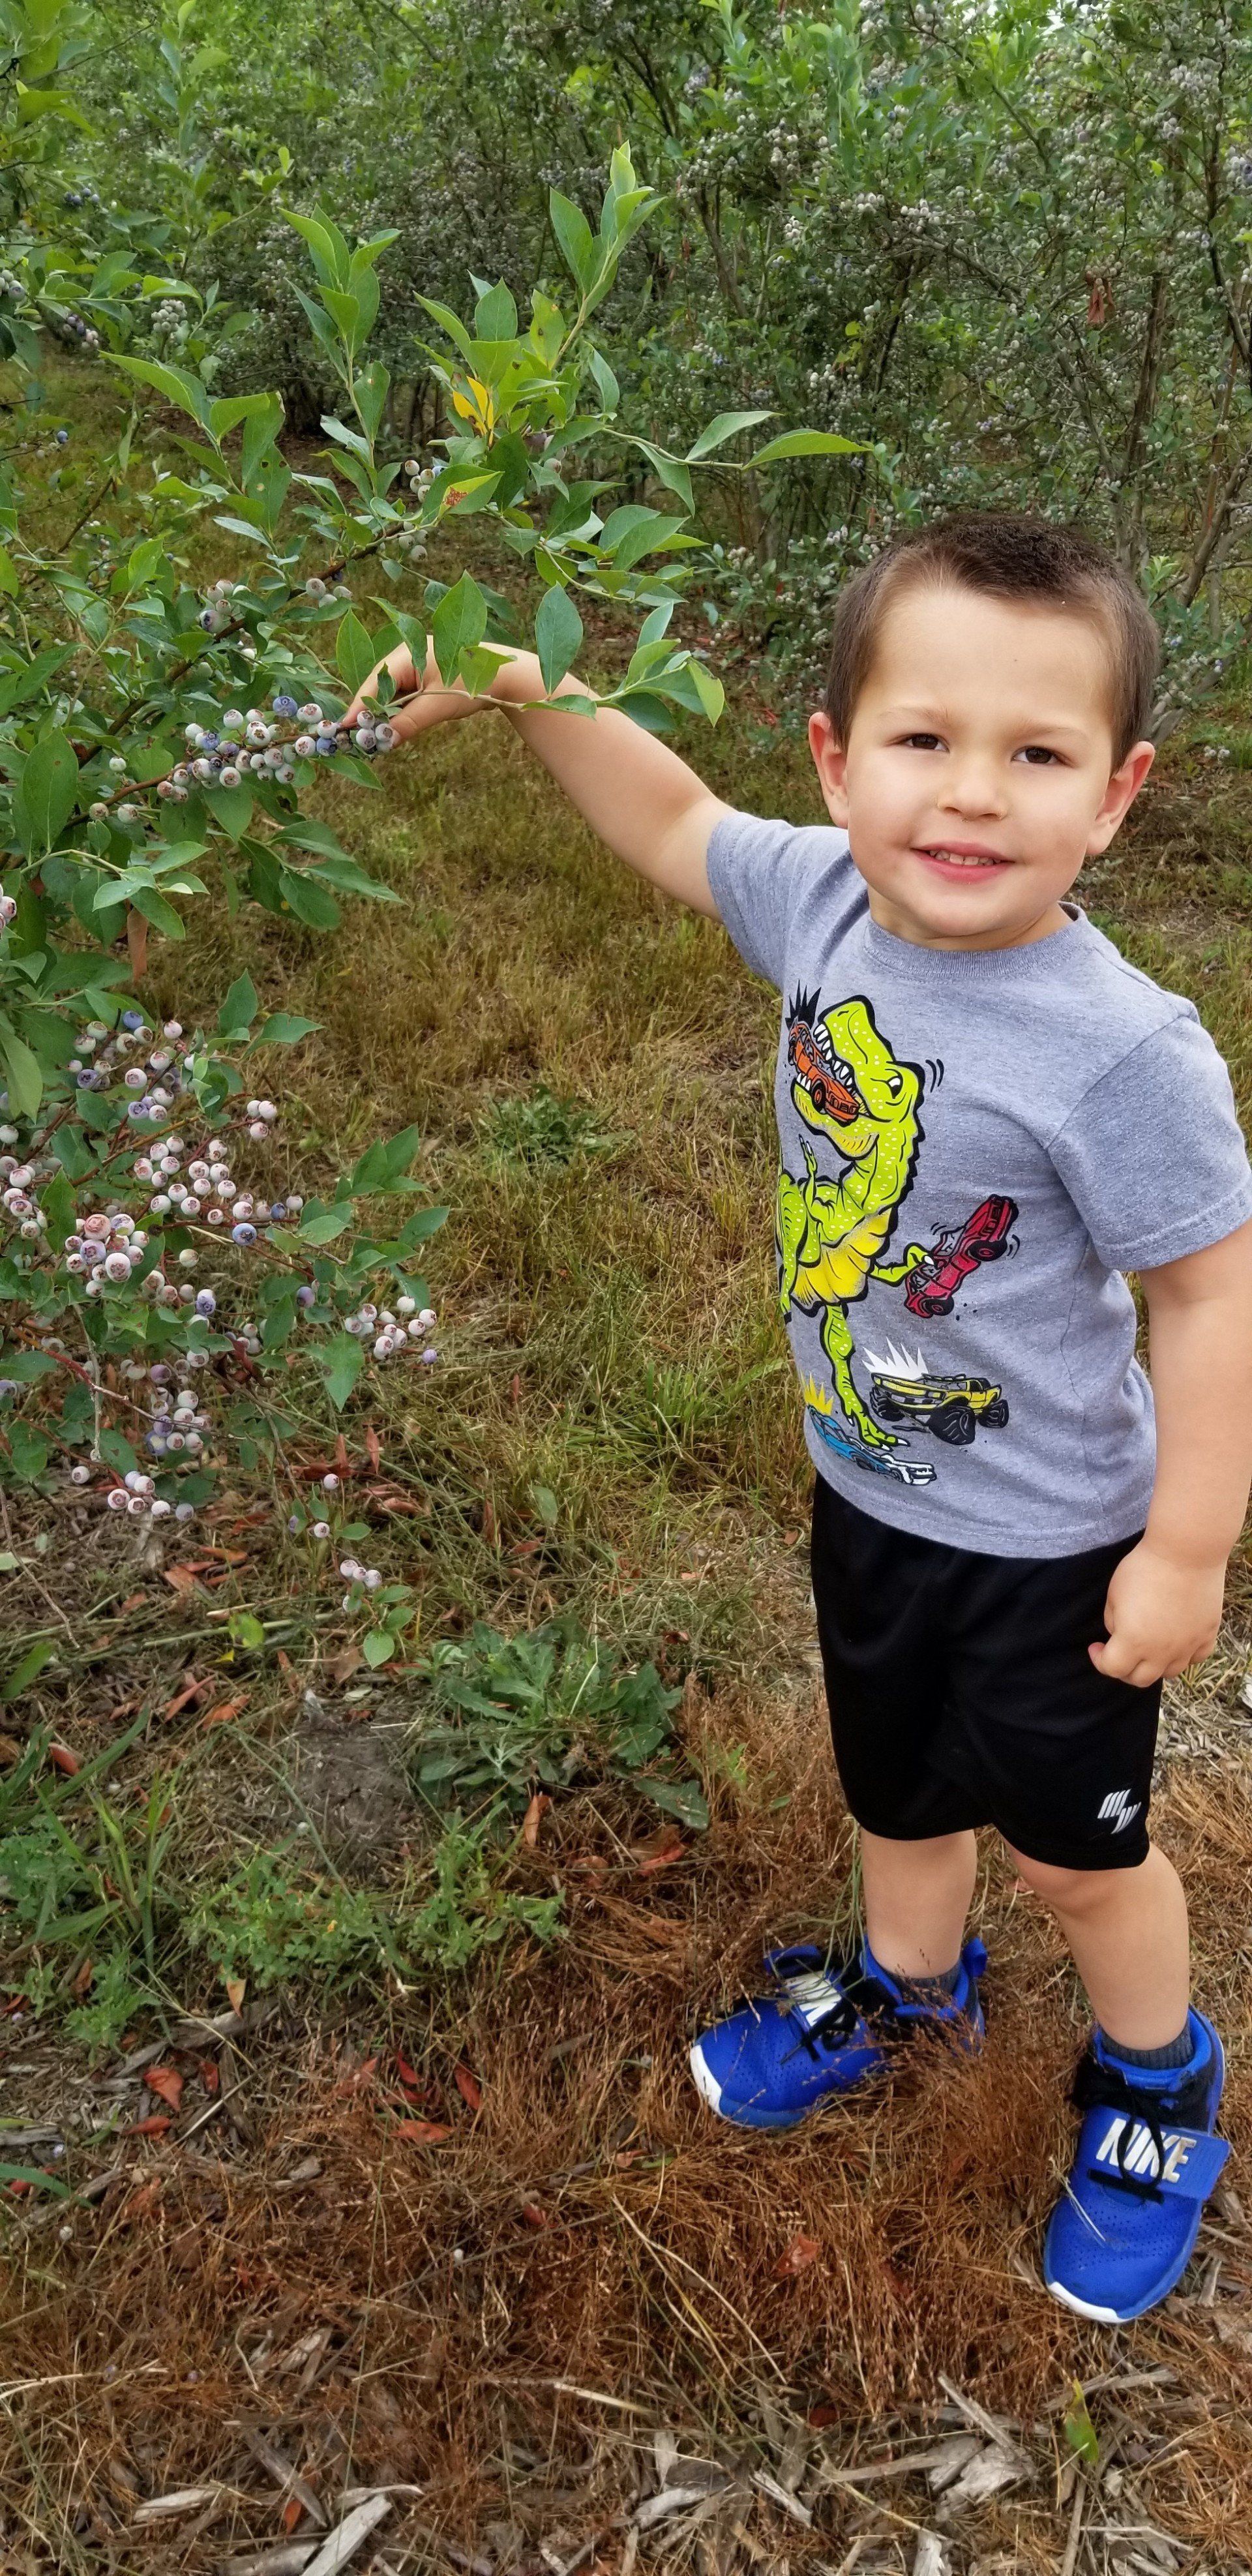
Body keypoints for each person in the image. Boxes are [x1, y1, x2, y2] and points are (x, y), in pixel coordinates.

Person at [351, 511, 1252, 2326]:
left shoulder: (1122, 1049)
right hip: (874, 1489)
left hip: (1056, 1546)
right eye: (923, 739)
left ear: (1119, 795)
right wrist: (534, 688)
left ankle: (1159, 2081)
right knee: (893, 1786)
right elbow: (674, 823)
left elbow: (1211, 1296)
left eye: (1038, 753)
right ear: (838, 762)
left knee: (1080, 1859)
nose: (971, 796)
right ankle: (909, 1986)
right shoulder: (829, 899)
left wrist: (1185, 1547)